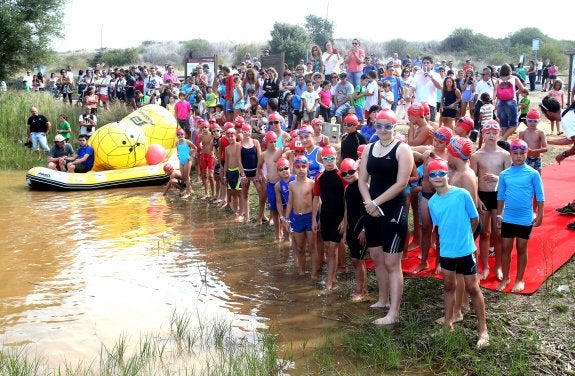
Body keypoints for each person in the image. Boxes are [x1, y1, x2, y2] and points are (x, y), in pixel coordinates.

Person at [358, 109, 413, 325]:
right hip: (372, 208)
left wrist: (376, 202)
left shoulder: (403, 149)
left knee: (392, 262)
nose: (383, 130)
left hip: (393, 209)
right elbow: (362, 180)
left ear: (395, 126)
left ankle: (394, 312)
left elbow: (401, 183)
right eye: (379, 125)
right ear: (373, 125)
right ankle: (383, 299)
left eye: (387, 126)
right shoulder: (369, 149)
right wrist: (368, 204)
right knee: (377, 257)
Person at [427, 158, 489, 349]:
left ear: (447, 174)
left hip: (465, 250)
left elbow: (475, 219)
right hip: (447, 252)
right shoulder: (433, 202)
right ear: (429, 178)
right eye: (433, 174)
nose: (437, 177)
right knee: (448, 286)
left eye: (441, 173)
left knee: (473, 287)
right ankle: (449, 323)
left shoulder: (462, 194)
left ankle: (483, 330)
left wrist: (466, 238)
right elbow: (439, 227)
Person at [496, 139, 545, 293]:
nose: (519, 156)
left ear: (527, 153)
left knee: (522, 247)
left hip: (525, 217)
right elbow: (501, 196)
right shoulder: (504, 174)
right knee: (505, 248)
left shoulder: (533, 173)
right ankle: (506, 278)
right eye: (515, 153)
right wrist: (499, 215)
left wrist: (540, 214)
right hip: (508, 217)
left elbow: (540, 195)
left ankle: (519, 278)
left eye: (522, 153)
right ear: (510, 154)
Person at [470, 120, 511, 280]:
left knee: (498, 233)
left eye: (494, 132)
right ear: (482, 134)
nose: (491, 135)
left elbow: (510, 179)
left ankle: (498, 267)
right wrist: (477, 198)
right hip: (483, 196)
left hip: (499, 197)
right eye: (488, 132)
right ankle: (485, 266)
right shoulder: (476, 156)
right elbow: (472, 179)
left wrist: (498, 178)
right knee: (485, 232)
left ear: (499, 133)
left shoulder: (505, 155)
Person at [312, 146, 346, 292]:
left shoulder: (342, 176)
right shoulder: (319, 177)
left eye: (332, 158)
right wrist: (315, 218)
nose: (329, 162)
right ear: (322, 160)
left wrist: (345, 219)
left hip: (338, 216)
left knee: (333, 248)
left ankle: (329, 282)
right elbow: (316, 198)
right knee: (327, 247)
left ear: (336, 158)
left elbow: (347, 200)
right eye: (326, 159)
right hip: (325, 215)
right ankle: (332, 277)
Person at [341, 158, 368, 301]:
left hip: (362, 227)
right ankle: (364, 288)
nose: (348, 175)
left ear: (357, 170)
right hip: (352, 227)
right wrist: (345, 229)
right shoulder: (347, 188)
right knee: (357, 260)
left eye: (351, 172)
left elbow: (368, 209)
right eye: (344, 174)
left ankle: (361, 291)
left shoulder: (363, 186)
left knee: (358, 260)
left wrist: (364, 229)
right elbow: (346, 210)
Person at [283, 155, 315, 275]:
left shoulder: (312, 183)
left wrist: (317, 219)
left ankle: (314, 274)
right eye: (298, 167)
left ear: (307, 168)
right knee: (300, 247)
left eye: (303, 166)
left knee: (312, 248)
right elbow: (290, 202)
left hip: (309, 217)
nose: (301, 169)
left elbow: (317, 202)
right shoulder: (291, 184)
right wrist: (286, 219)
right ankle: (301, 272)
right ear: (293, 169)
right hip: (297, 218)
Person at [238, 123, 265, 224]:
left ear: (251, 132)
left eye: (248, 132)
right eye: (245, 132)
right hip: (245, 173)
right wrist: (243, 175)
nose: (247, 134)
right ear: (242, 132)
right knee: (245, 194)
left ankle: (262, 215)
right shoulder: (239, 144)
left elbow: (259, 158)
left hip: (255, 172)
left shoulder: (256, 142)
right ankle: (247, 216)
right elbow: (239, 161)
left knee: (261, 192)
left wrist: (259, 172)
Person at [494, 64, 525, 141]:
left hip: (500, 102)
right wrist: (516, 92)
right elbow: (522, 88)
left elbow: (495, 92)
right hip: (511, 101)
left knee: (503, 125)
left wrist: (494, 101)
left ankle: (504, 142)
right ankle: (503, 140)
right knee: (513, 125)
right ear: (510, 71)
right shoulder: (514, 78)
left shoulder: (498, 80)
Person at [518, 109, 547, 174]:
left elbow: (546, 148)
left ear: (538, 121)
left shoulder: (540, 133)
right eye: (530, 121)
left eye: (535, 121)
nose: (532, 123)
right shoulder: (522, 133)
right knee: (524, 177)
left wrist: (535, 151)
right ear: (526, 120)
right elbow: (518, 147)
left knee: (537, 178)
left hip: (536, 158)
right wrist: (526, 150)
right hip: (525, 158)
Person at [414, 56, 443, 121]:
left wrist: (431, 77)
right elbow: (412, 86)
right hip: (418, 104)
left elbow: (440, 87)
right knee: (418, 126)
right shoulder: (417, 74)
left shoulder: (436, 75)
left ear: (431, 64)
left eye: (428, 63)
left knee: (430, 125)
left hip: (431, 104)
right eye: (424, 63)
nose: (426, 64)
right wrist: (408, 95)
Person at [175, 127, 196, 199]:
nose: (180, 136)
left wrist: (192, 156)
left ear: (184, 135)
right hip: (181, 161)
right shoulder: (177, 143)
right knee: (184, 177)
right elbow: (178, 150)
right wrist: (178, 155)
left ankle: (188, 193)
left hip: (187, 160)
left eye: (181, 134)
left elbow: (195, 148)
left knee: (186, 177)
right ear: (177, 136)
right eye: (178, 134)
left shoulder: (187, 142)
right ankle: (190, 189)